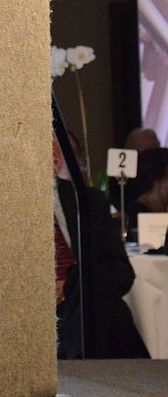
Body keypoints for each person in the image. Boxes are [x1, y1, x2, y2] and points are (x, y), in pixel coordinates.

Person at [53, 138, 148, 358]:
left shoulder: (88, 202)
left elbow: (122, 273)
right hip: (33, 309)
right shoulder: (4, 208)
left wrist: (72, 285)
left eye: (55, 153)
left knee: (92, 289)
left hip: (86, 306)